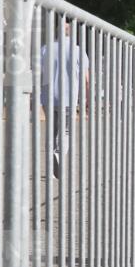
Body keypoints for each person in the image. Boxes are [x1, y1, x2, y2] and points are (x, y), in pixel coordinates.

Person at [40, 18, 90, 179]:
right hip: (68, 98)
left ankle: (50, 171)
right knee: (66, 131)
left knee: (51, 131)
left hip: (48, 97)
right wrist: (88, 101)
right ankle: (59, 155)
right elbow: (87, 79)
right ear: (72, 32)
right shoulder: (78, 50)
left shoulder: (45, 49)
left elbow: (38, 74)